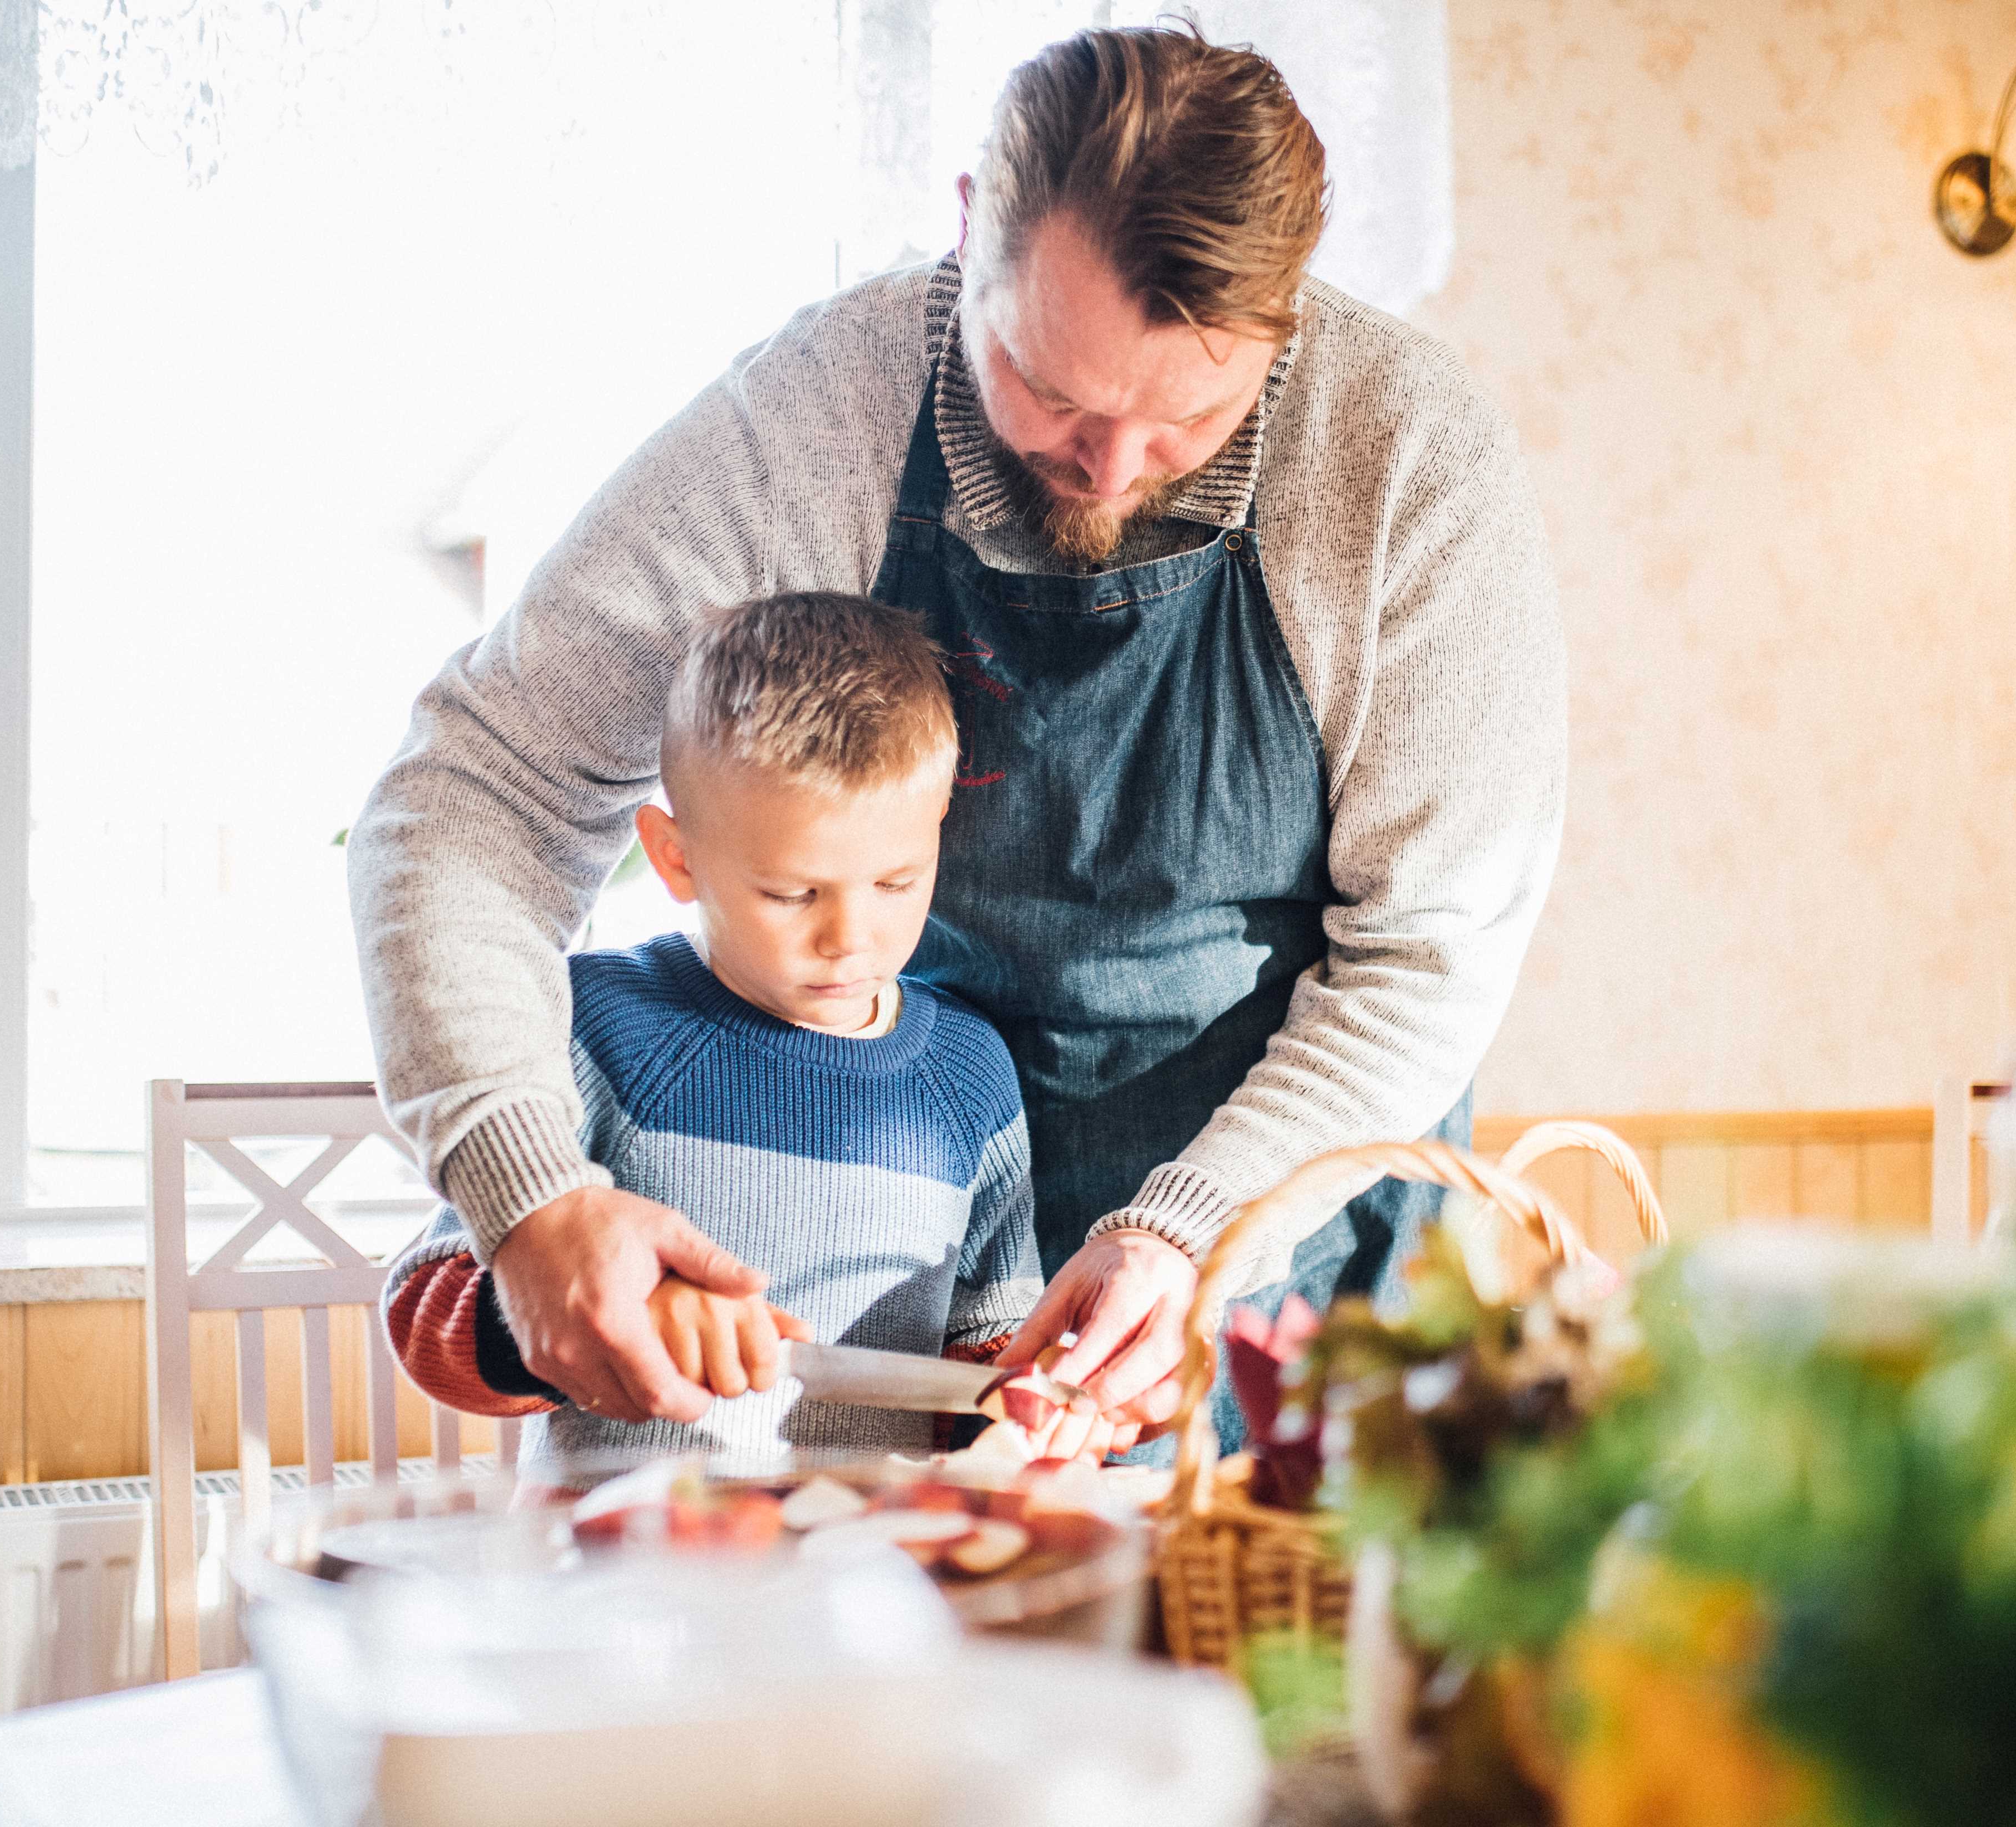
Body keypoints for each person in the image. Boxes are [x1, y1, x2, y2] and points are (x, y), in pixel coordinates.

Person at [350, 25, 1565, 1450]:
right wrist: (532, 1194)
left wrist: (1190, 1225)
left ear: (1285, 320)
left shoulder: (1410, 458)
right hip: (922, 1230)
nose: (1106, 471)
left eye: (1184, 419)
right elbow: (478, 790)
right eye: (1050, 391)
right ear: (973, 226)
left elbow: (1428, 951)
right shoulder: (817, 415)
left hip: (1305, 1268)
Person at [379, 592, 1110, 1469]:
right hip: (626, 1583)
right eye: (793, 894)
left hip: (867, 1578)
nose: (851, 938)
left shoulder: (968, 1073)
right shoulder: (596, 1026)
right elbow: (426, 1320)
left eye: (895, 882)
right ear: (675, 857)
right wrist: (600, 1305)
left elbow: (988, 1348)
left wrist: (1033, 1414)